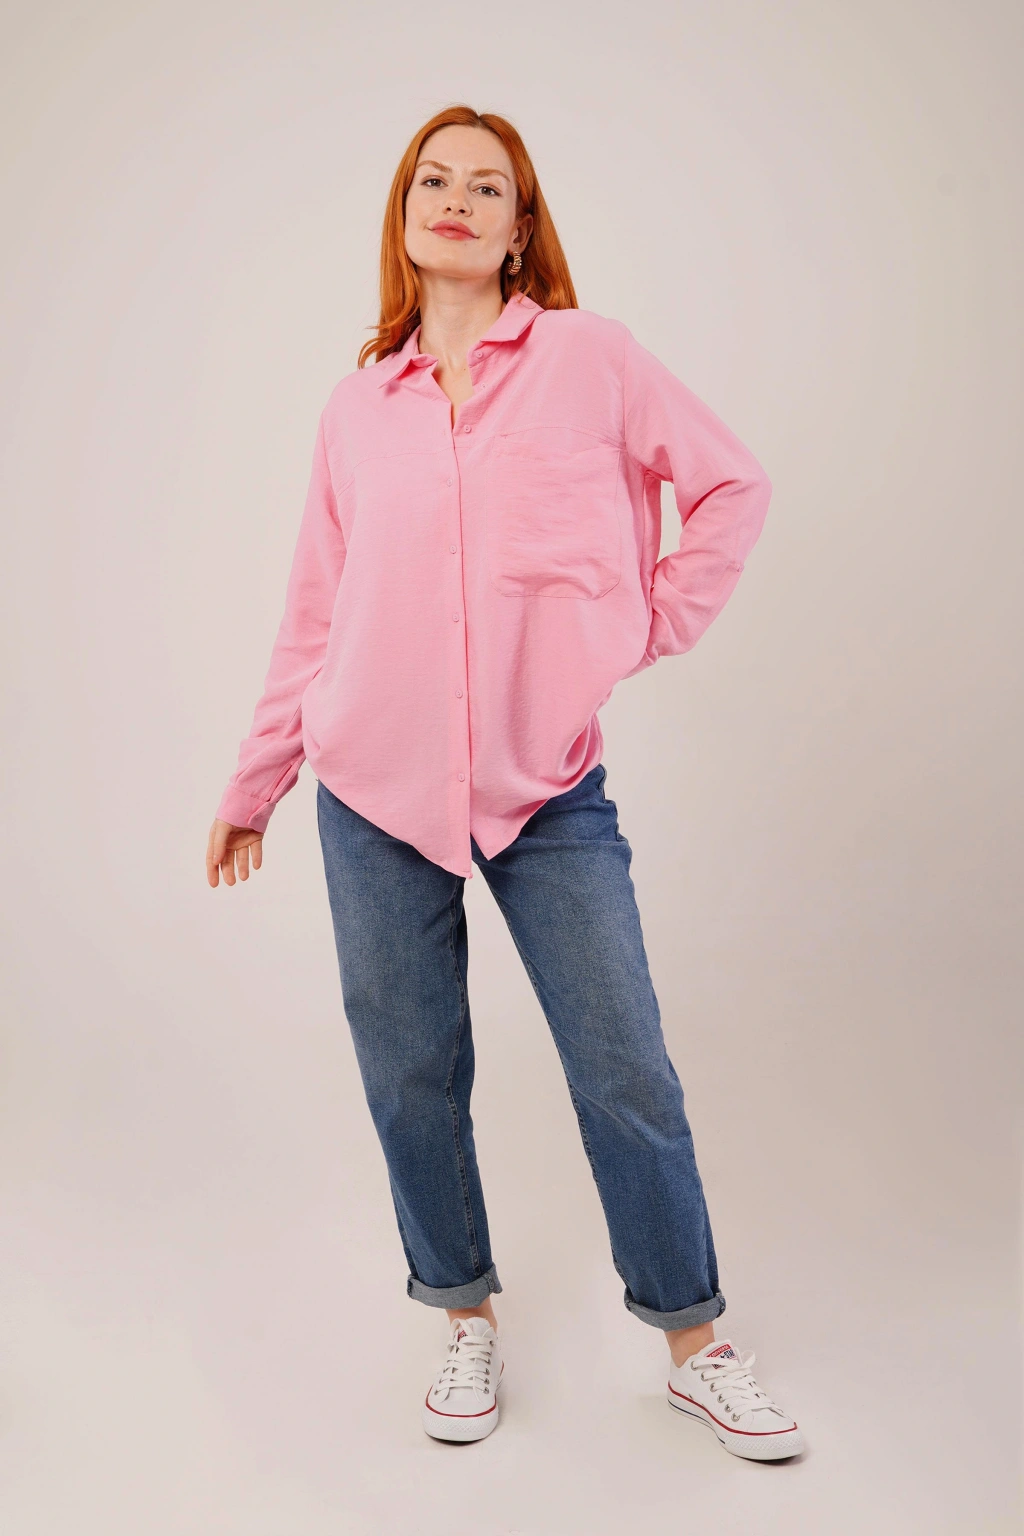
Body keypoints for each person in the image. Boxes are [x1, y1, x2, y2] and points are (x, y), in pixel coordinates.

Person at [206, 104, 804, 1460]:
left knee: (624, 1065)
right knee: (412, 1070)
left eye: (489, 187)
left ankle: (695, 1346)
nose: (458, 201)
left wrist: (643, 624)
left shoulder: (593, 359)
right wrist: (258, 780)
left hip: (546, 784)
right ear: (403, 212)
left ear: (522, 227)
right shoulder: (358, 409)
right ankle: (463, 1315)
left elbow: (731, 487)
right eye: (435, 180)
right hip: (372, 789)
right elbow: (315, 612)